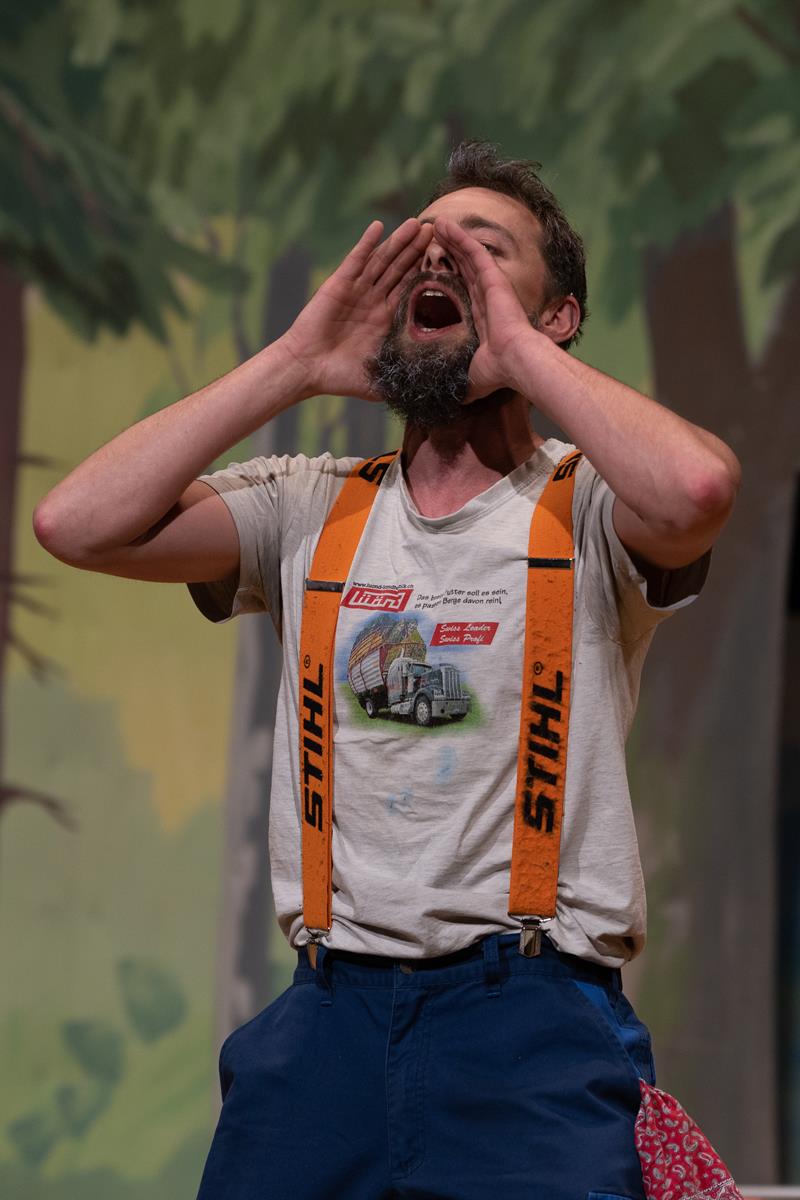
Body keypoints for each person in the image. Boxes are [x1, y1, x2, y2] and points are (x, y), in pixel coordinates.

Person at [33, 142, 740, 1199]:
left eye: (483, 250)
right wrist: (295, 363)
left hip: (531, 1025)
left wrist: (517, 350)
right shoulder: (310, 501)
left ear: (558, 316)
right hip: (327, 1022)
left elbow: (696, 490)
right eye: (424, 247)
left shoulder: (589, 502)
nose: (441, 261)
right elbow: (74, 523)